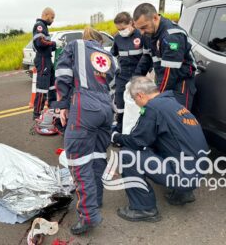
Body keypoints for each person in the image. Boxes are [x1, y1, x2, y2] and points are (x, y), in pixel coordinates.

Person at [111, 76, 209, 222]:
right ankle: (183, 193)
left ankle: (143, 208)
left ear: (140, 95)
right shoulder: (173, 103)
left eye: (134, 99)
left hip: (185, 175)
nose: (136, 103)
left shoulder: (152, 108)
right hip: (197, 170)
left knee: (127, 154)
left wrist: (115, 136)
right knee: (163, 143)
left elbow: (137, 141)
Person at [54, 27, 115, 235]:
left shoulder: (76, 46)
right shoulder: (109, 55)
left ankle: (89, 217)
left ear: (85, 38)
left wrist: (62, 105)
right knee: (98, 156)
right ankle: (96, 200)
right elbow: (113, 83)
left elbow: (63, 74)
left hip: (85, 106)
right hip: (107, 109)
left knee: (78, 161)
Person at [133, 3, 196, 110]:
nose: (142, 32)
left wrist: (157, 95)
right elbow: (146, 58)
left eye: (144, 27)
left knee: (177, 117)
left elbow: (170, 72)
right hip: (163, 79)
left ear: (155, 18)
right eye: (139, 29)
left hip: (180, 83)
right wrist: (135, 81)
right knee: (161, 115)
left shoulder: (172, 36)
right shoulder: (149, 34)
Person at [111, 12, 143, 132]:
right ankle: (120, 128)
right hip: (122, 75)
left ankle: (136, 129)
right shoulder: (117, 38)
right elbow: (112, 56)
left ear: (131, 23)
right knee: (120, 102)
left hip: (138, 75)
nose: (121, 31)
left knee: (137, 103)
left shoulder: (140, 35)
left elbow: (148, 57)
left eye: (123, 28)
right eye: (118, 29)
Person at [32, 7, 63, 120]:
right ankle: (37, 113)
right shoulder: (39, 25)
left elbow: (46, 44)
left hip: (47, 60)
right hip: (43, 60)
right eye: (52, 17)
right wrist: (53, 43)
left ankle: (52, 109)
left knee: (52, 87)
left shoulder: (44, 27)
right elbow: (40, 42)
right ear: (45, 15)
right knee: (42, 88)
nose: (53, 20)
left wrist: (54, 46)